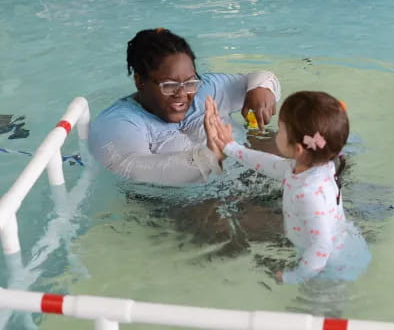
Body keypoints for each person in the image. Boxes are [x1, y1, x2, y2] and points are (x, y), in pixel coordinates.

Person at [204, 91, 371, 284]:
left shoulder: (308, 195)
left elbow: (321, 248)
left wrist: (293, 277)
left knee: (314, 308)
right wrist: (230, 147)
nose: (277, 133)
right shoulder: (312, 166)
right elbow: (267, 163)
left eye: (281, 130)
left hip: (332, 267)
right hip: (342, 244)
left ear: (299, 149)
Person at [88, 28, 281, 185]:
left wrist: (261, 89)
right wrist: (209, 156)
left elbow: (258, 77)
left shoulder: (205, 89)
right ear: (140, 81)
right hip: (191, 201)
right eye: (169, 85)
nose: (182, 94)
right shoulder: (118, 123)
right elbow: (131, 169)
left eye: (189, 83)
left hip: (244, 170)